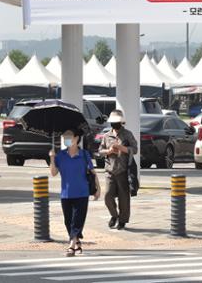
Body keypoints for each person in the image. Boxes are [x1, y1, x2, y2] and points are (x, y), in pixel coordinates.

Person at [49, 128, 101, 257]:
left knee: (77, 220)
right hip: (66, 194)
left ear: (77, 138)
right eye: (64, 137)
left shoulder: (84, 154)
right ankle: (77, 242)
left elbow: (92, 173)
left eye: (69, 136)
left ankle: (71, 245)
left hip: (82, 193)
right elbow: (54, 173)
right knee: (68, 221)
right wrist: (52, 158)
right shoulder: (60, 155)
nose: (66, 139)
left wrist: (98, 189)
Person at [99, 110, 137, 230]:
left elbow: (135, 149)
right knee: (108, 196)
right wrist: (108, 151)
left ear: (121, 122)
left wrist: (122, 148)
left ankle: (122, 220)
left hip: (123, 171)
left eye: (117, 122)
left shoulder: (128, 134)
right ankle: (114, 215)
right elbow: (100, 151)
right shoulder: (106, 136)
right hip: (110, 170)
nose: (114, 124)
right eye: (113, 122)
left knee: (124, 198)